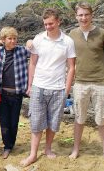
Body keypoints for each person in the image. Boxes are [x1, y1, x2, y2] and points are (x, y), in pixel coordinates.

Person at [21, 8, 76, 167]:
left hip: (58, 88)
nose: (48, 27)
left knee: (53, 122)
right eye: (45, 24)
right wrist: (30, 85)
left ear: (58, 21)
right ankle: (32, 154)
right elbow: (32, 63)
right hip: (39, 86)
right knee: (36, 122)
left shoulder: (67, 41)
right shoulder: (38, 39)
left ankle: (48, 148)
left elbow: (71, 67)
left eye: (51, 23)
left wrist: (66, 90)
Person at [69, 1, 104, 163]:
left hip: (101, 83)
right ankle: (75, 149)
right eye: (80, 15)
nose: (84, 18)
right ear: (76, 16)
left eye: (86, 14)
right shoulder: (72, 35)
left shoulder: (103, 33)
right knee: (79, 119)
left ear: (91, 15)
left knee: (102, 120)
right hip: (80, 83)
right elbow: (68, 60)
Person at [0, 27, 30, 159]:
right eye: (10, 38)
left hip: (17, 94)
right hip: (2, 94)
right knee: (4, 122)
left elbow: (35, 52)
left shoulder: (21, 51)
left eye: (15, 38)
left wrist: (30, 41)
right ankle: (7, 146)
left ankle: (11, 145)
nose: (13, 41)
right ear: (3, 40)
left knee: (14, 122)